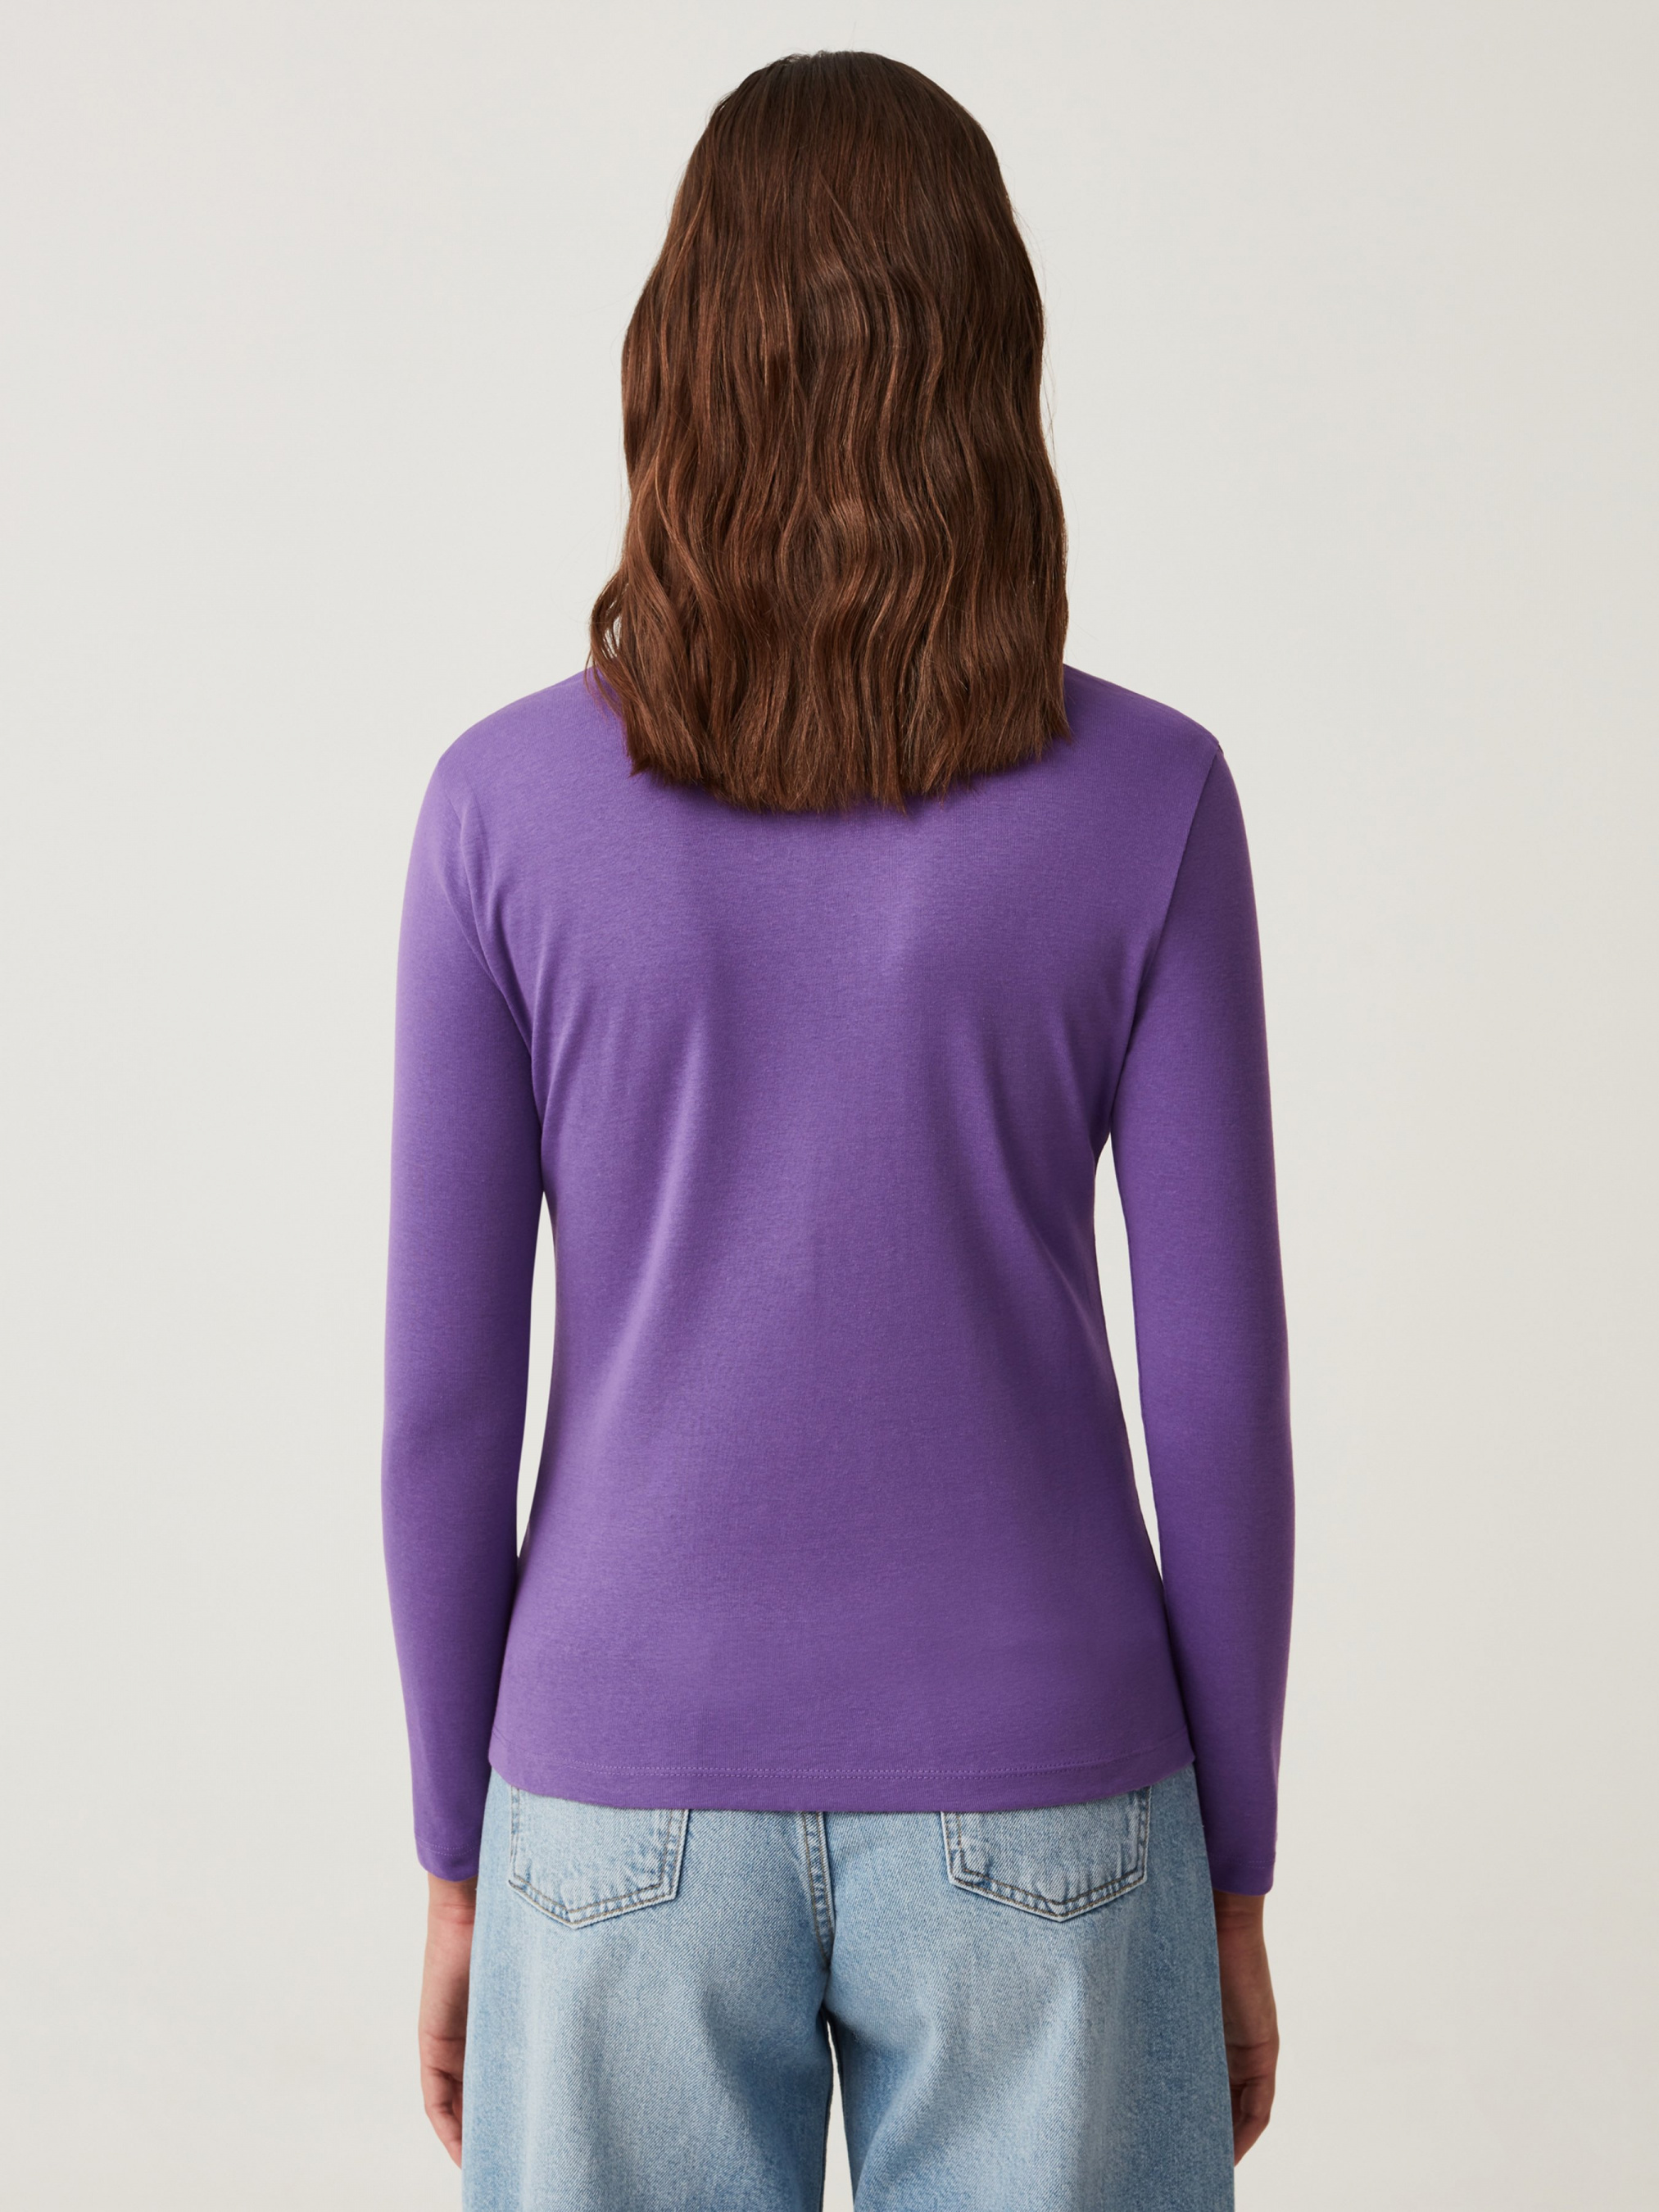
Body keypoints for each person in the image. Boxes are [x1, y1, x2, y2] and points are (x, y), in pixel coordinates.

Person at [383, 49, 1294, 2212]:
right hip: (1055, 1795)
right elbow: (1221, 1398)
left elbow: (441, 1411)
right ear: (992, 373)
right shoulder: (1152, 802)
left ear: (676, 361)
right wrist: (1234, 1871)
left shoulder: (499, 813)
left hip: (613, 1796)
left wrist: (455, 1851)